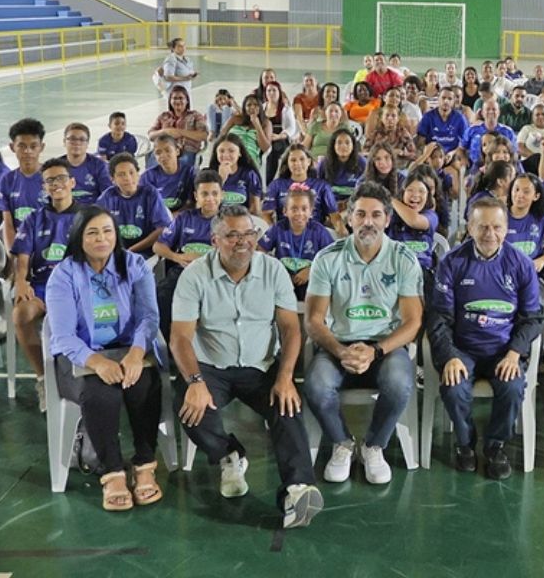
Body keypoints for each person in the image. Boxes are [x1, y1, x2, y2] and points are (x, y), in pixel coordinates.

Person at [171, 205, 323, 527]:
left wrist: (285, 377)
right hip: (211, 365)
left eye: (249, 234)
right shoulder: (194, 276)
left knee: (288, 406)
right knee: (190, 408)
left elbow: (290, 328)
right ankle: (230, 453)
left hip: (261, 365)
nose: (243, 241)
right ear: (215, 240)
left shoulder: (273, 271)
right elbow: (180, 338)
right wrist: (196, 382)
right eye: (232, 235)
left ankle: (296, 490)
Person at [302, 182, 423, 485]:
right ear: (349, 218)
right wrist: (341, 351)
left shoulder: (404, 259)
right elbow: (314, 321)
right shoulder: (327, 258)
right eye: (360, 214)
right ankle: (342, 443)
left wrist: (376, 351)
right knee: (316, 384)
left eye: (376, 215)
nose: (368, 221)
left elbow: (412, 322)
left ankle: (373, 445)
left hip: (385, 347)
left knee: (399, 382)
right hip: (338, 345)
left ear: (387, 219)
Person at [45, 206, 164, 511]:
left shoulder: (135, 264)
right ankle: (112, 473)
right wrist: (97, 362)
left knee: (144, 386)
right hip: (81, 358)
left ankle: (145, 463)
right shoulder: (65, 274)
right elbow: (63, 336)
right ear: (79, 238)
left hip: (127, 350)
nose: (101, 238)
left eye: (108, 231)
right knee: (101, 396)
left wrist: (137, 353)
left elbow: (149, 317)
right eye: (92, 232)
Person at [427, 199, 543, 479]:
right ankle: (466, 444)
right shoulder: (452, 263)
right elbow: (439, 318)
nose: (490, 234)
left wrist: (515, 353)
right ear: (469, 228)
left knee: (513, 387)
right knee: (454, 388)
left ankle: (495, 446)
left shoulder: (521, 264)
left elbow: (533, 318)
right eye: (482, 227)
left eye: (497, 227)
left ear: (507, 229)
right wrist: (450, 356)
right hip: (462, 349)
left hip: (503, 351)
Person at [12, 158, 79, 408]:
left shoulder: (86, 217)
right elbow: (22, 259)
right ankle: (43, 379)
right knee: (21, 315)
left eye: (61, 178)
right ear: (44, 187)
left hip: (74, 290)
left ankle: (76, 379)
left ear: (72, 182)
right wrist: (21, 281)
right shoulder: (33, 219)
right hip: (41, 288)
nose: (56, 184)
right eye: (50, 180)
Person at [152, 170, 223, 338]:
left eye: (214, 193)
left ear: (222, 195)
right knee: (161, 296)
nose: (210, 198)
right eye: (204, 194)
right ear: (196, 195)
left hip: (216, 274)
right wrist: (177, 257)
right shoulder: (184, 218)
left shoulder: (228, 219)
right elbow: (158, 246)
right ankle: (166, 350)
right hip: (183, 272)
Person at [259, 185, 335, 303]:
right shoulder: (278, 228)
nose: (299, 213)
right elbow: (259, 251)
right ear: (285, 211)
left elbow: (332, 257)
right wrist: (278, 270)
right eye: (294, 209)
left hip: (311, 280)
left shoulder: (318, 231)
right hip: (283, 279)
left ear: (311, 212)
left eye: (304, 209)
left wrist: (311, 271)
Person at [97, 154, 171, 255]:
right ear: (113, 179)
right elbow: (96, 225)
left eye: (131, 172)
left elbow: (162, 228)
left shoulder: (150, 194)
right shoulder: (107, 197)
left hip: (144, 252)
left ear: (138, 174)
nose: (128, 178)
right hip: (114, 252)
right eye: (121, 174)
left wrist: (131, 251)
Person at [0, 117, 46, 249]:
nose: (27, 151)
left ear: (41, 147)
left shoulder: (52, 177)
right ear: (12, 147)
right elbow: (8, 224)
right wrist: (13, 255)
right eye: (22, 146)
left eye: (33, 146)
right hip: (21, 247)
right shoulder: (7, 180)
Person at [148, 87, 209, 174]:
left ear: (187, 100)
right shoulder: (164, 116)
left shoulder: (195, 116)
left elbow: (204, 135)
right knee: (153, 164)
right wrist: (165, 131)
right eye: (174, 98)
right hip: (164, 150)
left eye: (181, 98)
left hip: (187, 151)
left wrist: (180, 132)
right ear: (170, 101)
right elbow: (151, 135)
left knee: (179, 167)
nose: (177, 101)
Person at [60, 123, 113, 204]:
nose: (77, 143)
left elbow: (108, 195)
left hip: (93, 212)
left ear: (87, 143)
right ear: (64, 142)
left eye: (82, 139)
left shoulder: (99, 166)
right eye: (72, 139)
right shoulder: (56, 167)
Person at [140, 135, 194, 215]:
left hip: (183, 217)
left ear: (177, 151)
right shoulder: (148, 176)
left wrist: (175, 215)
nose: (163, 156)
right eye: (158, 153)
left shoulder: (190, 172)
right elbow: (143, 204)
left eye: (168, 150)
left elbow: (192, 202)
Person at [417, 88, 470, 154]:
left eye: (450, 99)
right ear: (438, 99)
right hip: (432, 156)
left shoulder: (460, 118)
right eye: (443, 98)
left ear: (453, 101)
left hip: (453, 156)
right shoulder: (428, 117)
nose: (446, 101)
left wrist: (453, 153)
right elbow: (420, 143)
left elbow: (465, 143)